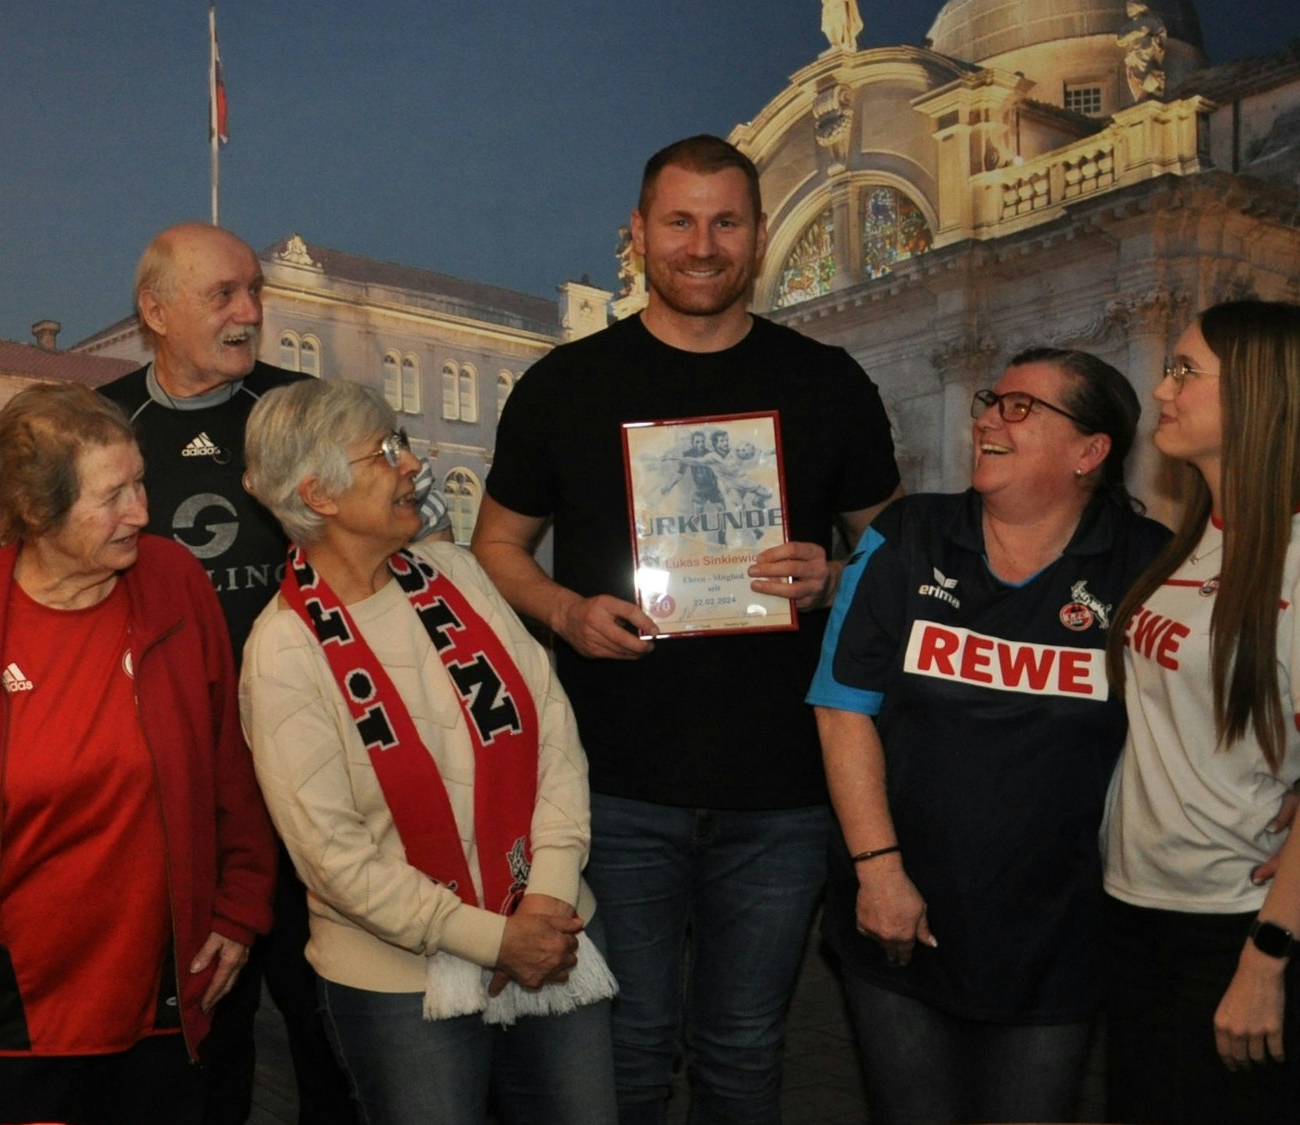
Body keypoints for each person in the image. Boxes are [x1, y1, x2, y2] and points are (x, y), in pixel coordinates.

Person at [472, 134, 901, 1123]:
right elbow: (496, 548)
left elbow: (895, 553)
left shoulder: (826, 381)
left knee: (745, 1057)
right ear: (636, 234)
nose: (700, 245)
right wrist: (565, 612)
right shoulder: (564, 386)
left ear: (756, 236)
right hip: (612, 787)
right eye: (677, 221)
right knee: (622, 1058)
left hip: (782, 796)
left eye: (724, 222)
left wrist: (834, 576)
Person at [0, 383, 276, 1125]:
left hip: (164, 986)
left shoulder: (175, 584)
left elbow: (229, 760)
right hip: (17, 1008)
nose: (143, 513)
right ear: (36, 511)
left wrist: (241, 903)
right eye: (112, 496)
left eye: (140, 482)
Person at [237, 379, 616, 1125]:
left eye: (401, 441)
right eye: (385, 453)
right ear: (319, 494)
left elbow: (554, 736)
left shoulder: (461, 575)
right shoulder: (282, 652)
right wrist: (493, 937)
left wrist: (544, 898)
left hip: (555, 931)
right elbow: (333, 857)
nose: (412, 464)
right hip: (399, 983)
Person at [809, 348, 1169, 1123]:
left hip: (1060, 931)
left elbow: (1207, 715)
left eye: (1020, 408)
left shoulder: (1147, 566)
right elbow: (842, 706)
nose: (987, 420)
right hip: (900, 915)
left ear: (1089, 450)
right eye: (990, 401)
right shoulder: (909, 536)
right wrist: (879, 871)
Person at [98, 221, 369, 1124]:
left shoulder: (310, 412)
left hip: (316, 764)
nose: (250, 312)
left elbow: (391, 563)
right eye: (223, 295)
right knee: (203, 1017)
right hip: (177, 780)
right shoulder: (99, 428)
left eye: (254, 291)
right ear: (155, 310)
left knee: (327, 1012)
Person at [1101, 299, 1300, 1123]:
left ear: (1257, 392)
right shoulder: (1198, 534)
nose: (1162, 387)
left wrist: (1267, 958)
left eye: (1187, 370)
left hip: (1234, 930)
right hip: (1135, 906)